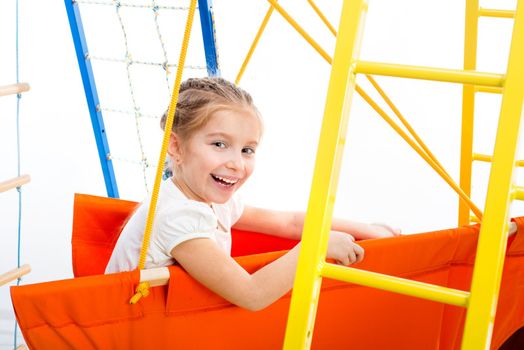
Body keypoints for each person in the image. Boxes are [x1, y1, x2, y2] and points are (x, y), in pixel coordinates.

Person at [105, 77, 400, 311]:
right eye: (219, 144)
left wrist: (371, 230)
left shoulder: (208, 197)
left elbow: (290, 223)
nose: (236, 163)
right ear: (176, 147)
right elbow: (252, 295)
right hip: (130, 328)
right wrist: (316, 248)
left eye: (247, 150)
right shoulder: (177, 216)